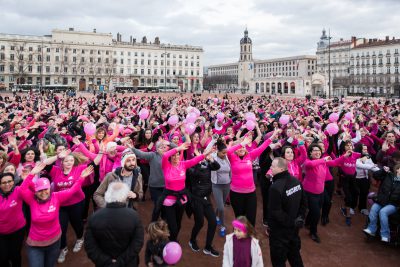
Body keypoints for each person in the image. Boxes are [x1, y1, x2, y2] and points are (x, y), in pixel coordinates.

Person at [22, 163, 93, 267]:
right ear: (35, 192)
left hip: (54, 241)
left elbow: (72, 190)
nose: (43, 192)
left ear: (50, 188)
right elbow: (22, 189)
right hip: (35, 244)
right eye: (40, 190)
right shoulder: (31, 200)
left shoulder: (56, 197)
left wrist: (81, 178)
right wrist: (31, 174)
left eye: (45, 189)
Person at [85, 182, 144, 266]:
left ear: (107, 195)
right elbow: (137, 243)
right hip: (128, 263)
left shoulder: (94, 217)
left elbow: (90, 246)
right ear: (124, 196)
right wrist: (120, 262)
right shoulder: (134, 216)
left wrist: (107, 262)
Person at [227, 130, 278, 226]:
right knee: (239, 218)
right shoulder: (232, 157)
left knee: (251, 219)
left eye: (243, 147)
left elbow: (263, 147)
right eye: (239, 147)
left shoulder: (250, 156)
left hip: (250, 194)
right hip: (236, 194)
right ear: (236, 149)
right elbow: (229, 151)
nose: (241, 149)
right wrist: (242, 143)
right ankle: (239, 238)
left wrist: (273, 136)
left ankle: (250, 238)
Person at [268, 157, 306, 267]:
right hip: (294, 230)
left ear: (280, 169)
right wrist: (300, 218)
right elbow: (304, 202)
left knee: (278, 262)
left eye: (273, 166)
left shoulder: (275, 187)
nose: (271, 167)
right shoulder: (296, 181)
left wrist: (291, 223)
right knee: (295, 257)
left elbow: (275, 212)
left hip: (279, 234)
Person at [187, 146, 220, 257]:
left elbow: (217, 166)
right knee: (199, 222)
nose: (202, 157)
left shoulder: (207, 166)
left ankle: (208, 247)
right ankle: (192, 240)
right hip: (197, 200)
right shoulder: (192, 167)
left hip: (206, 199)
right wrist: (198, 160)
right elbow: (196, 174)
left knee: (213, 222)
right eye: (200, 155)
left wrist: (210, 159)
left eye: (203, 154)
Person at [363, 164, 400, 242]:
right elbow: (375, 175)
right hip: (382, 201)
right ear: (397, 169)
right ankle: (371, 229)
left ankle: (385, 235)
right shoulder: (388, 175)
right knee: (373, 209)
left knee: (383, 212)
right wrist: (383, 171)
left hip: (393, 204)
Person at [0, 172, 28, 267]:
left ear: (13, 181)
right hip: (2, 233)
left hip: (18, 230)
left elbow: (28, 182)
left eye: (9, 181)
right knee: (3, 257)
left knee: (15, 255)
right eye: (4, 182)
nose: (7, 184)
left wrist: (27, 176)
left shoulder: (18, 190)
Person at [211, 138, 231, 237]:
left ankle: (216, 217)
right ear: (217, 152)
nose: (225, 154)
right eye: (223, 153)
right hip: (217, 186)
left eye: (226, 153)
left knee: (221, 204)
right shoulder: (213, 157)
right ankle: (222, 226)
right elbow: (207, 152)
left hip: (227, 185)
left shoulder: (226, 157)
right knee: (222, 208)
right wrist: (212, 141)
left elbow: (230, 170)